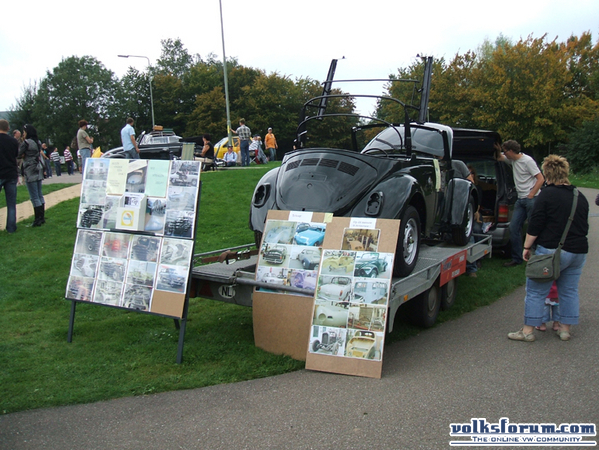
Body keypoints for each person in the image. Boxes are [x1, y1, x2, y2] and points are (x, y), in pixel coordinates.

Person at [508, 155, 589, 342]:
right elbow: (583, 225)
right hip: (578, 251)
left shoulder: (546, 195)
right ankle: (565, 329)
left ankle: (528, 331)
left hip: (551, 251)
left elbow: (535, 225)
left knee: (536, 291)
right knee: (569, 291)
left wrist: (526, 247)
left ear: (547, 173)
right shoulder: (579, 196)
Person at [495, 140, 544, 267]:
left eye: (506, 151)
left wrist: (532, 194)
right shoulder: (513, 160)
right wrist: (497, 148)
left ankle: (537, 256)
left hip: (531, 199)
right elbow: (499, 157)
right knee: (513, 228)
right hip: (520, 200)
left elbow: (540, 178)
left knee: (533, 228)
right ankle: (517, 258)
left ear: (511, 151)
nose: (504, 154)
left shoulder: (527, 161)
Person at [18, 124, 46, 227]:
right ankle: (42, 217)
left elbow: (19, 154)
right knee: (39, 194)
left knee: (34, 196)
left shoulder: (26, 143)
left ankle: (37, 219)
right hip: (38, 168)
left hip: (30, 169)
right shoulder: (38, 142)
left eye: (24, 132)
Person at [0, 119, 19, 233]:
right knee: (11, 203)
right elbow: (16, 155)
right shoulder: (13, 141)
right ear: (8, 128)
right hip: (11, 173)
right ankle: (11, 227)